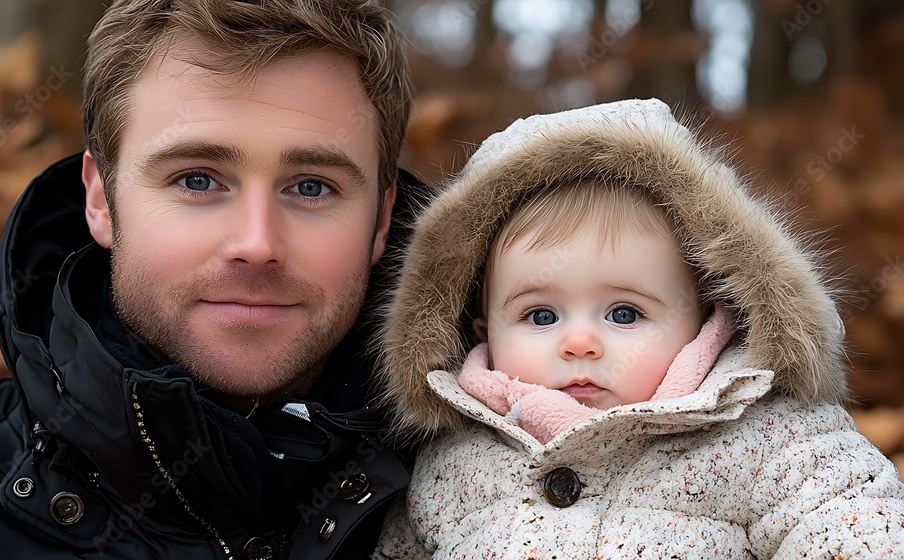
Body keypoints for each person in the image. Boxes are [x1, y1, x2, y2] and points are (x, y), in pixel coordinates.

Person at [0, 1, 427, 558]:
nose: (257, 244)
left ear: (381, 219)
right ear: (102, 200)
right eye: (197, 179)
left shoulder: (498, 494)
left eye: (311, 187)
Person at [374, 99, 904, 559]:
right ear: (482, 331)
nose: (579, 342)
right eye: (541, 315)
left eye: (624, 313)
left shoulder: (770, 439)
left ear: (704, 314)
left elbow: (853, 528)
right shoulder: (452, 468)